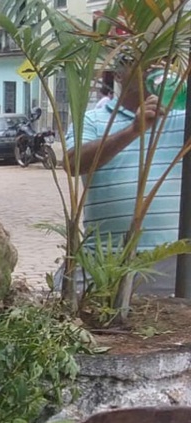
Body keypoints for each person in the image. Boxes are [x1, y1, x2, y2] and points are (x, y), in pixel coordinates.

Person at [64, 64, 187, 295]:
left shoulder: (183, 117)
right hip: (103, 260)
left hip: (174, 261)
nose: (153, 66)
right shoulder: (93, 119)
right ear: (119, 74)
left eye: (160, 59)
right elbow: (72, 163)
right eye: (143, 61)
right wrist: (133, 130)